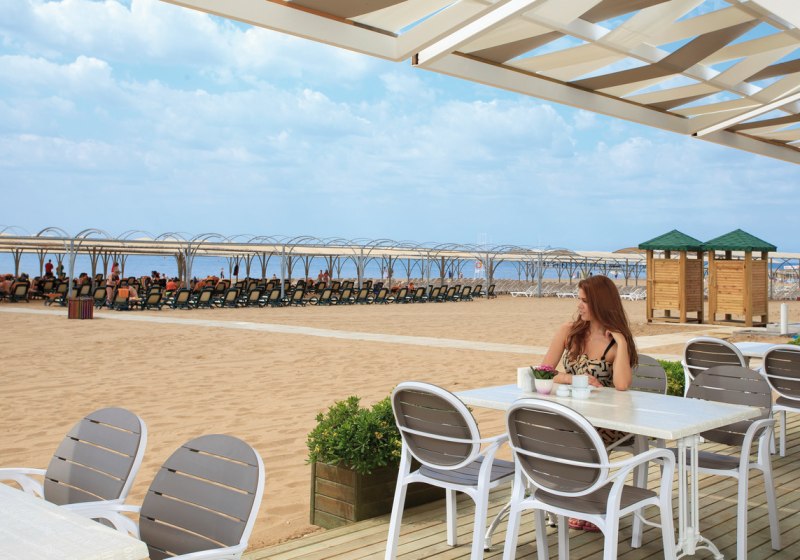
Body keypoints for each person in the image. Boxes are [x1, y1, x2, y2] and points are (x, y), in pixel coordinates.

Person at [540, 274, 637, 532]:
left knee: (582, 438)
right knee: (548, 433)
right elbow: (543, 372)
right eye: (579, 299)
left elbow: (622, 385)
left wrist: (622, 342)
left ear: (600, 303)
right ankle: (570, 497)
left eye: (584, 301)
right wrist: (571, 378)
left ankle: (585, 501)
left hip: (608, 420)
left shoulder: (615, 342)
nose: (579, 305)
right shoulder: (568, 332)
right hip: (573, 415)